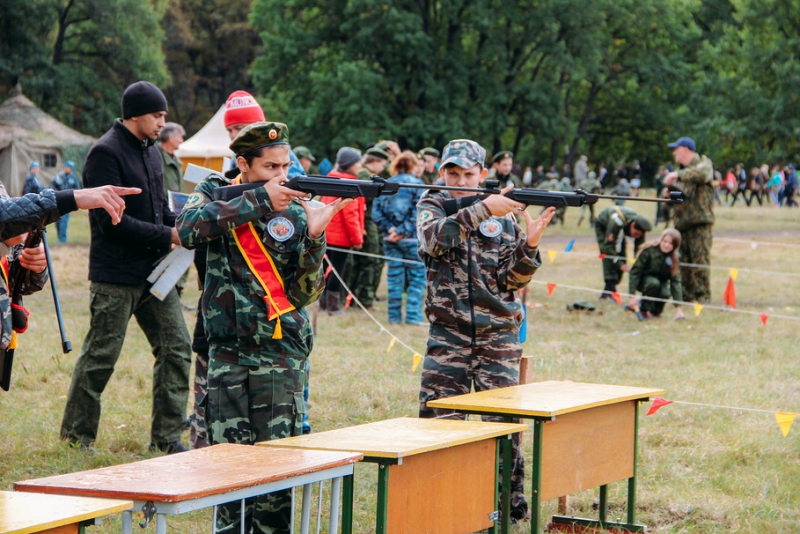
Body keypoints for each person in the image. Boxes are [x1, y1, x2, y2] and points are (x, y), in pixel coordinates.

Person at [176, 121, 349, 534]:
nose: (282, 175)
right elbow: (186, 230)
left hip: (279, 353)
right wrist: (258, 201)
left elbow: (305, 293)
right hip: (228, 352)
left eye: (285, 165)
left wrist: (314, 238)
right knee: (227, 468)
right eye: (271, 166)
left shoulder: (293, 206)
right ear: (243, 164)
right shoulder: (215, 192)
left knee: (276, 472)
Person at [417, 138, 556, 524]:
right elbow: (432, 242)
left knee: (503, 429)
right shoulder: (431, 205)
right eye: (453, 173)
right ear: (442, 172)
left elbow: (512, 277)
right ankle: (439, 504)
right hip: (448, 336)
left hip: (498, 337)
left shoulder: (505, 213)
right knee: (438, 425)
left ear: (483, 174)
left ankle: (509, 510)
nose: (460, 181)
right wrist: (480, 209)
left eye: (468, 174)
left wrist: (530, 245)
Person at [60, 81, 192, 454]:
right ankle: (76, 439)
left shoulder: (152, 152)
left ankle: (167, 439)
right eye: (157, 115)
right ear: (135, 113)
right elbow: (109, 224)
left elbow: (158, 209)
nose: (163, 123)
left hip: (154, 275)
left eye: (164, 116)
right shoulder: (105, 153)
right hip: (115, 276)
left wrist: (182, 224)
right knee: (101, 356)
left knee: (177, 349)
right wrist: (168, 235)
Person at [372, 151, 426, 324]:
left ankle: (394, 317)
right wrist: (402, 230)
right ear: (413, 166)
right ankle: (413, 316)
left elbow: (376, 212)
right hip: (411, 239)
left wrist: (391, 230)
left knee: (394, 277)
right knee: (417, 277)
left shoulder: (386, 185)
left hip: (390, 239)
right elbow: (419, 211)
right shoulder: (418, 185)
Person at [664, 137, 714, 303]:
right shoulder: (681, 173)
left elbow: (703, 174)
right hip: (681, 223)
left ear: (685, 150)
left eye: (676, 149)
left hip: (699, 223)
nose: (674, 153)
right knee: (682, 263)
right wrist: (668, 195)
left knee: (699, 261)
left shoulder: (703, 164)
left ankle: (702, 297)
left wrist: (677, 174)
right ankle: (685, 296)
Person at [320, 147, 364, 313]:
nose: (360, 166)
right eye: (358, 163)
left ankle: (322, 302)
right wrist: (357, 240)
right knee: (337, 271)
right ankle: (332, 305)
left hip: (327, 233)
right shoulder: (350, 185)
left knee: (325, 269)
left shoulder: (333, 179)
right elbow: (350, 216)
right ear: (350, 164)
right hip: (341, 237)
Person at [347, 147, 390, 309]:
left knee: (366, 261)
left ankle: (358, 297)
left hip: (367, 221)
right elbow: (365, 199)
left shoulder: (365, 174)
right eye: (382, 163)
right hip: (366, 221)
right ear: (375, 162)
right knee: (369, 261)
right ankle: (363, 299)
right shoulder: (365, 175)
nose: (383, 167)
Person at [594, 205, 652, 299]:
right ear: (632, 225)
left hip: (620, 228)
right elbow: (609, 246)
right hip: (604, 226)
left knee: (621, 253)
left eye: (639, 235)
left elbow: (639, 248)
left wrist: (637, 264)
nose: (637, 237)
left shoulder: (640, 226)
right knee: (607, 254)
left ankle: (606, 291)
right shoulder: (616, 222)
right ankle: (611, 289)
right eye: (636, 234)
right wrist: (621, 265)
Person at [626, 229, 685, 320]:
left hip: (661, 282)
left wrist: (678, 308)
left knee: (666, 292)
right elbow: (635, 272)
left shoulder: (674, 258)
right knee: (653, 283)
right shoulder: (649, 251)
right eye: (664, 241)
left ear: (675, 246)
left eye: (670, 243)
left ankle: (656, 311)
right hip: (644, 281)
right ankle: (644, 309)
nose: (666, 245)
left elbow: (675, 281)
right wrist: (632, 295)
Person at [50, 161, 82, 243]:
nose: (67, 169)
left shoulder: (74, 178)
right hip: (57, 202)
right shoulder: (59, 177)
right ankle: (59, 238)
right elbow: (52, 186)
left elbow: (77, 190)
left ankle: (62, 240)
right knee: (57, 221)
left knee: (63, 222)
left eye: (69, 167)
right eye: (66, 167)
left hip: (67, 203)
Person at [158, 122, 185, 195]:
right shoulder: (155, 155)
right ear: (170, 138)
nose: (181, 140)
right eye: (180, 137)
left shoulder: (176, 160)